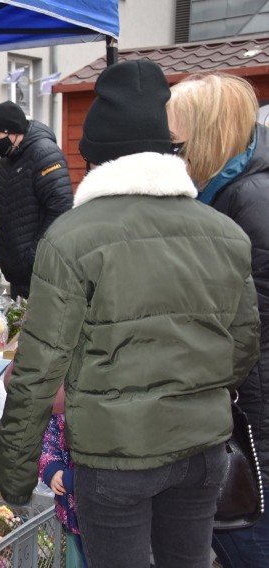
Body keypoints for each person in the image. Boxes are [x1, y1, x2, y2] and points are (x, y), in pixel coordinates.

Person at [0, 60, 261, 568]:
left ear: (92, 157)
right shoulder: (225, 232)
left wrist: (14, 473)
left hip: (115, 457)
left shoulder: (72, 238)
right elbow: (242, 348)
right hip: (201, 447)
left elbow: (37, 369)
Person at [167, 72, 269, 568]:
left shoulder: (246, 201)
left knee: (246, 533)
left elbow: (246, 328)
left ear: (207, 136)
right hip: (244, 405)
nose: (172, 153)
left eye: (178, 141)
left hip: (254, 413)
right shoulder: (229, 193)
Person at [0, 101, 73, 299]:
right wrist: (3, 248)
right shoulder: (8, 157)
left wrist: (34, 255)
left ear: (14, 132)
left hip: (40, 270)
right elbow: (9, 207)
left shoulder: (44, 154)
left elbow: (61, 208)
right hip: (18, 271)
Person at [39, 411, 87, 568]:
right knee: (85, 556)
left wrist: (70, 479)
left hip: (103, 510)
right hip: (74, 511)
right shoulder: (57, 414)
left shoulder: (96, 414)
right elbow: (47, 445)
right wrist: (51, 471)